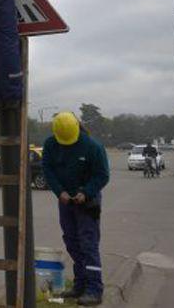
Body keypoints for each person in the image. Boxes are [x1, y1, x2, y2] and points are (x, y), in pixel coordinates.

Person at [42, 112, 110, 306]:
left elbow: (102, 175)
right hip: (65, 202)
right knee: (72, 242)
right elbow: (48, 169)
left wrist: (86, 192)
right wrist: (59, 191)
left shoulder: (92, 147)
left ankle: (95, 289)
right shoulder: (50, 144)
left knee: (88, 244)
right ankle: (80, 284)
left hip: (87, 202)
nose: (66, 145)